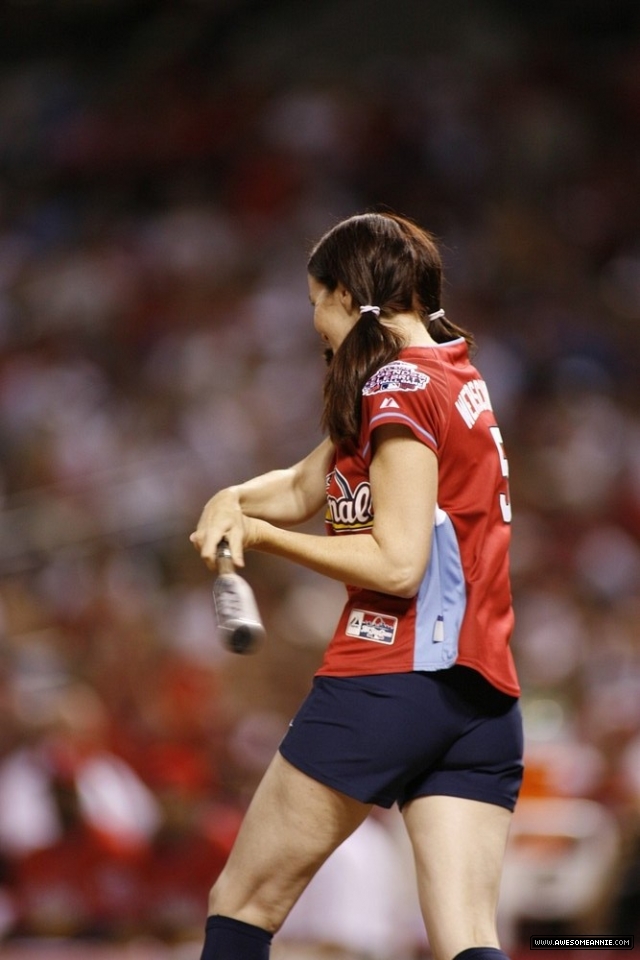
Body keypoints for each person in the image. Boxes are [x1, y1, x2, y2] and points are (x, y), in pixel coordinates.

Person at [190, 211, 523, 960]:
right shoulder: (450, 373)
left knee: (241, 903)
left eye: (316, 298)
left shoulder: (397, 387)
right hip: (482, 698)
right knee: (469, 941)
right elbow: (310, 482)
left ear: (346, 293)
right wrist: (234, 500)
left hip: (391, 676)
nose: (313, 318)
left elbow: (398, 564)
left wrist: (267, 538)